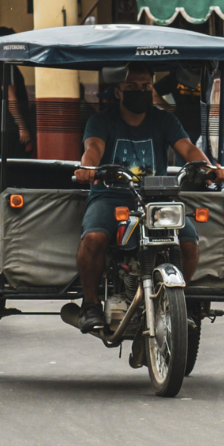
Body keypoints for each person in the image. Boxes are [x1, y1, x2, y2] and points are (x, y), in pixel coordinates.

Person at [68, 67, 209, 334]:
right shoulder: (102, 120)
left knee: (188, 242)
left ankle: (180, 302)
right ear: (119, 92)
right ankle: (90, 304)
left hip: (155, 198)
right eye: (132, 87)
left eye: (146, 87)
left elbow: (188, 148)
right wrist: (88, 167)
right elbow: (93, 148)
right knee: (94, 238)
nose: (140, 92)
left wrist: (208, 167)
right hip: (110, 196)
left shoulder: (163, 120)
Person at [0, 27, 35, 158]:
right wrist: (22, 126)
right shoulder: (7, 66)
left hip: (2, 125)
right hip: (12, 127)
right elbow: (10, 97)